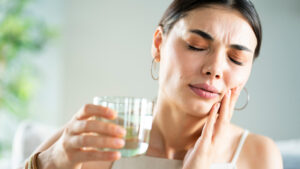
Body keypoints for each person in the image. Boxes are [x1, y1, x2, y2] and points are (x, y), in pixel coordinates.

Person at [20, 0, 283, 169]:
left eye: (236, 59)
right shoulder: (99, 139)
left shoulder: (258, 156)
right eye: (196, 45)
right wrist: (52, 161)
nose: (215, 68)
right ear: (159, 44)